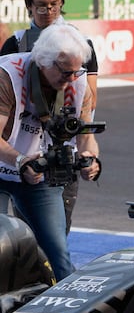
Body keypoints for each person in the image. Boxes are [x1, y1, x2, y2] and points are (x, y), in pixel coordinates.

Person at [0, 22, 101, 281]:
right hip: (11, 162)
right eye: (66, 72)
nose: (71, 79)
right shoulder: (8, 75)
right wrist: (20, 159)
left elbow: (86, 138)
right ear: (44, 61)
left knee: (59, 255)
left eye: (77, 71)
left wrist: (91, 159)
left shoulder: (79, 84)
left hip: (37, 170)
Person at [0, 0, 99, 233]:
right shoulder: (17, 42)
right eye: (41, 5)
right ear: (29, 6)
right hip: (22, 150)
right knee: (23, 230)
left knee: (57, 231)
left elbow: (89, 97)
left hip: (63, 147)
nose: (48, 10)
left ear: (62, 3)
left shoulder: (80, 45)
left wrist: (86, 148)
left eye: (54, 4)